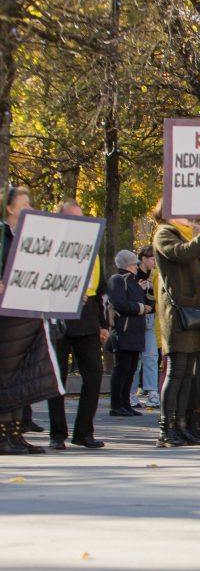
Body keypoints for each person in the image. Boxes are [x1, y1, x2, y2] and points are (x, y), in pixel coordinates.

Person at [151, 199, 200, 447]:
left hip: (193, 311)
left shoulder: (185, 237)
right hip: (178, 313)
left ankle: (181, 424)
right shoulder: (164, 234)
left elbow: (196, 268)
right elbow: (184, 254)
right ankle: (166, 427)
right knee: (177, 371)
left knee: (188, 375)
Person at [0, 186, 60, 455]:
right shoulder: (2, 235)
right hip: (6, 316)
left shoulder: (29, 238)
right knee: (6, 375)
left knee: (22, 373)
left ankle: (16, 434)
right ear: (10, 208)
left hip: (26, 314)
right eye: (24, 205)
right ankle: (3, 435)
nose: (30, 209)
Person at [45, 199, 108, 450]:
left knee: (93, 377)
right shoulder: (50, 247)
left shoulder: (92, 250)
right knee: (57, 381)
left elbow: (100, 290)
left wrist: (103, 324)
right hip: (60, 322)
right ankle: (57, 434)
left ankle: (84, 432)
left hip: (88, 321)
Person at [107, 250, 152, 418]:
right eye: (134, 264)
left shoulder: (133, 281)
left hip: (135, 331)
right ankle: (117, 404)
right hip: (124, 330)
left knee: (131, 369)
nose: (136, 267)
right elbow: (119, 303)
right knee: (122, 369)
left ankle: (125, 403)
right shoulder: (118, 280)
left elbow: (144, 301)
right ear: (128, 265)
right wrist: (141, 308)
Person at [131, 245, 160, 409]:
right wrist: (139, 289)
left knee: (151, 357)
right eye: (151, 259)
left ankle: (152, 392)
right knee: (135, 359)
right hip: (136, 319)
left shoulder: (155, 275)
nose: (154, 262)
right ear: (143, 258)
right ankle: (131, 392)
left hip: (151, 318)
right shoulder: (134, 275)